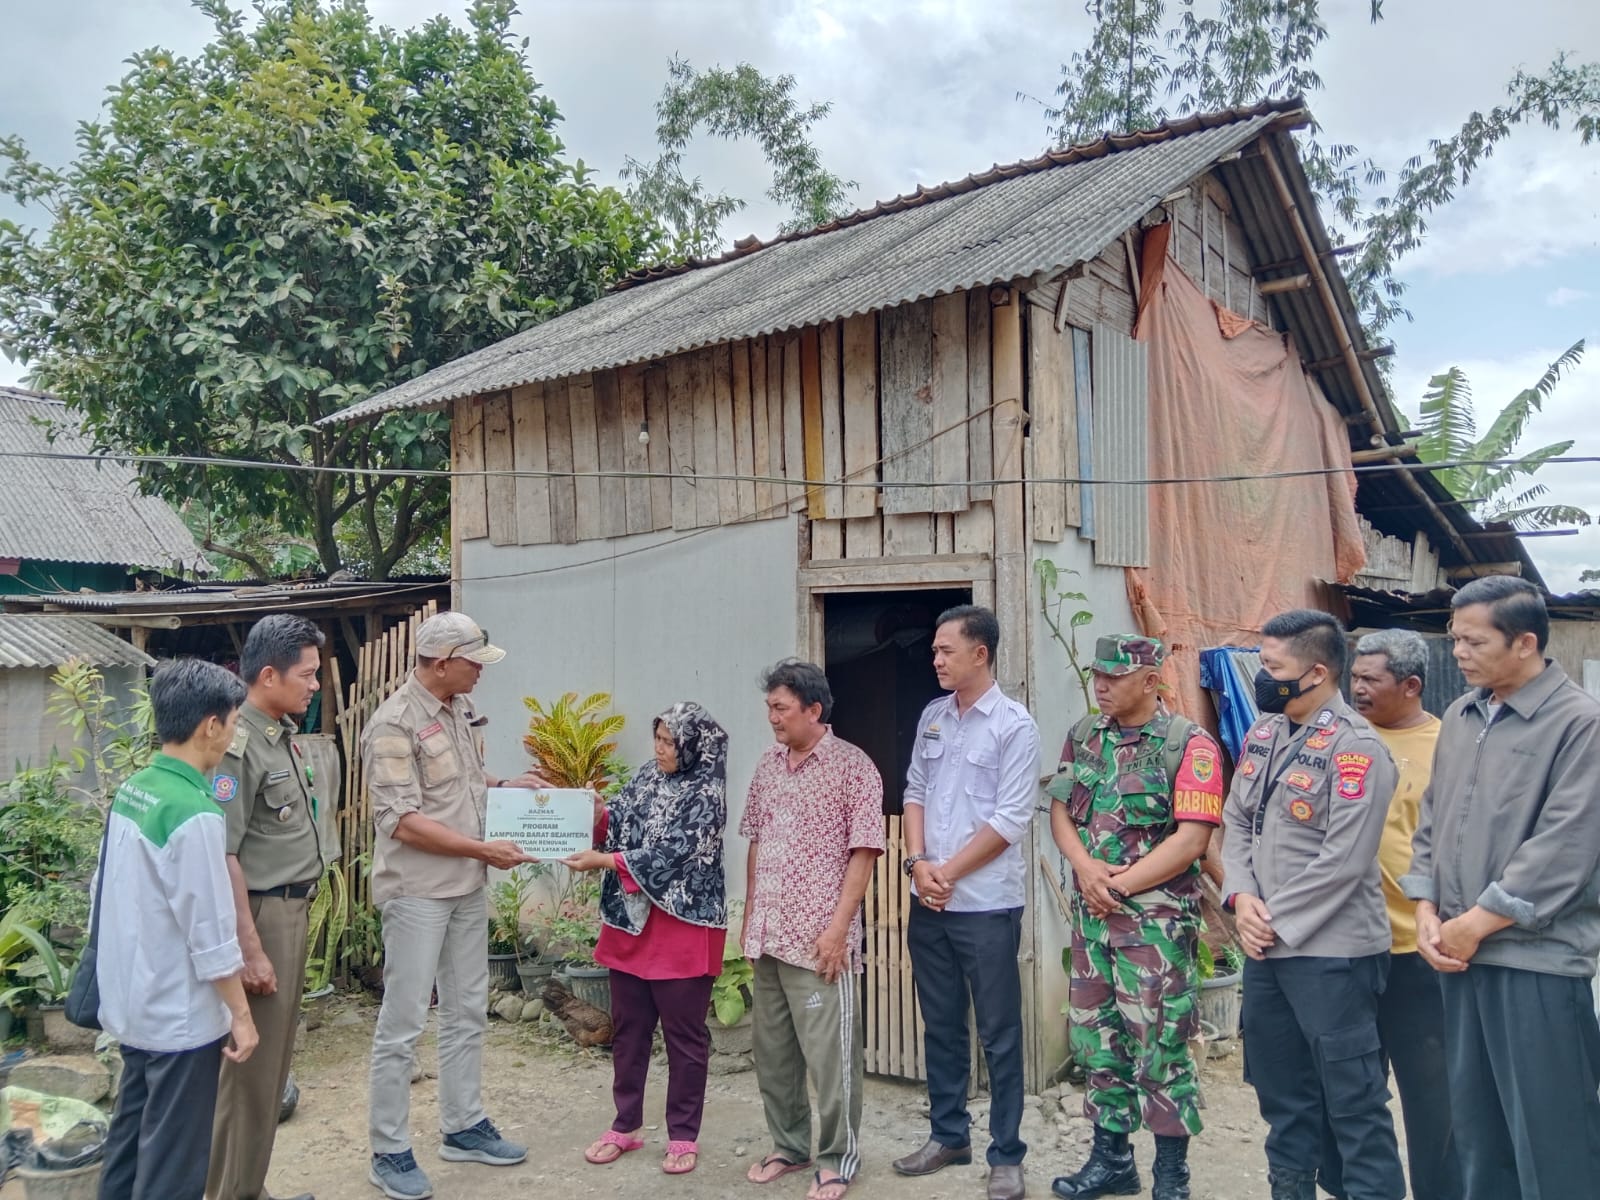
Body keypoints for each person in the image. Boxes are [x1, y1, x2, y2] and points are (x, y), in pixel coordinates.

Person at [1400, 576, 1600, 1198]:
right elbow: (1433, 819)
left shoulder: (1580, 723)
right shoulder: (1461, 715)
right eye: (1453, 638)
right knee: (1478, 1135)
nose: (1457, 651)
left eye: (1471, 640)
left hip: (1537, 960)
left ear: (1525, 643)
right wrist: (1428, 909)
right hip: (1460, 955)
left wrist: (1473, 924)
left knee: (1552, 1139)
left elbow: (1565, 846)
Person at [1220, 608, 1404, 1200]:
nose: (1262, 677)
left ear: (1317, 671)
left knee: (1354, 1104)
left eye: (1273, 667)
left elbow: (1344, 861)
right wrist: (1242, 897)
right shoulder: (1264, 733)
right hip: (1267, 952)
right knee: (1283, 1097)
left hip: (1333, 957)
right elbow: (1237, 820)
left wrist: (1270, 920)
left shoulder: (1357, 749)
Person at [362, 612, 544, 1200]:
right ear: (441, 662)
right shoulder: (393, 723)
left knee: (467, 1009)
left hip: (466, 884)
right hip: (417, 892)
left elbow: (460, 783)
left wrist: (504, 787)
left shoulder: (459, 711)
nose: (480, 674)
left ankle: (462, 1125)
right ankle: (388, 1149)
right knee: (404, 1020)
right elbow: (402, 821)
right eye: (473, 663)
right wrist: (479, 849)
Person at [1047, 635, 1224, 1200]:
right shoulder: (1083, 736)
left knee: (1162, 1046)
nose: (1101, 685)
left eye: (1114, 677)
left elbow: (1193, 838)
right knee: (1098, 1041)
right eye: (1097, 674)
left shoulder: (1188, 745)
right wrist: (1085, 870)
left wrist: (1116, 884)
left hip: (1155, 929)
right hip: (1094, 924)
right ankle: (1112, 1161)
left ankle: (1171, 1177)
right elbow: (1060, 811)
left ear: (1150, 681)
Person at [97, 659, 259, 1200]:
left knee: (130, 1138)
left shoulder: (133, 790)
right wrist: (240, 1015)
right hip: (179, 1018)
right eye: (234, 721)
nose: (234, 732)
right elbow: (211, 936)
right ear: (209, 726)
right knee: (175, 1163)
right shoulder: (194, 811)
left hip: (133, 1000)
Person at [892, 605, 1039, 1200]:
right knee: (942, 1023)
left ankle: (1006, 1154)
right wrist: (917, 864)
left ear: (981, 653)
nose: (936, 659)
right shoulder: (933, 716)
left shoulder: (1014, 725)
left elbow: (1011, 819)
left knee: (1000, 1032)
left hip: (985, 904)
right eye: (934, 650)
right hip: (928, 899)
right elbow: (915, 791)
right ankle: (948, 1135)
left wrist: (946, 872)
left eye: (946, 650)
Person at [1317, 629, 1460, 1200]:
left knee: (1434, 1096)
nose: (1357, 689)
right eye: (1354, 677)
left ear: (1411, 685)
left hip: (1416, 952)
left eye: (1370, 680)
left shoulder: (1449, 747)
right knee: (1348, 1089)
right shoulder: (1335, 737)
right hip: (1346, 947)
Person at [565, 702, 730, 1177]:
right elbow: (617, 823)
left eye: (669, 742)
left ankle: (682, 1135)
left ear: (692, 744)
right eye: (656, 739)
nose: (659, 749)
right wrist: (595, 812)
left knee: (684, 1037)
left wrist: (604, 863)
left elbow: (671, 855)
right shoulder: (646, 777)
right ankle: (625, 1124)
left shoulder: (707, 792)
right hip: (629, 925)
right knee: (629, 1031)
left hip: (682, 926)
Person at [740, 660, 884, 1200]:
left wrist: (839, 929)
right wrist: (750, 915)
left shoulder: (854, 767)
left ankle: (836, 1158)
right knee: (774, 1053)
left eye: (781, 708)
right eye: (769, 707)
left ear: (814, 710)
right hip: (769, 934)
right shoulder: (768, 765)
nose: (772, 718)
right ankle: (789, 1145)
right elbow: (755, 841)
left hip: (818, 938)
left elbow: (864, 852)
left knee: (831, 1059)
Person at [208, 615, 328, 1200]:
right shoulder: (240, 745)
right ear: (268, 674)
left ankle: (249, 1188)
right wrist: (251, 950)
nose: (314, 686)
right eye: (306, 675)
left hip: (289, 911)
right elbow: (224, 854)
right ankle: (232, 1192)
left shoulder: (279, 734)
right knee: (251, 1074)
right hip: (261, 916)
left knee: (273, 1062)